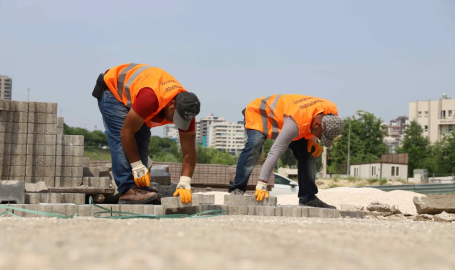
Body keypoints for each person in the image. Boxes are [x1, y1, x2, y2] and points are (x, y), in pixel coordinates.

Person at [94, 63, 200, 204]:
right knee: (122, 138)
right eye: (175, 117)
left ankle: (140, 190)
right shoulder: (151, 98)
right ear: (171, 104)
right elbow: (126, 133)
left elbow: (189, 152)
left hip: (137, 95)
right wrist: (137, 167)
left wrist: (185, 182)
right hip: (113, 91)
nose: (175, 122)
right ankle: (127, 190)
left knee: (142, 139)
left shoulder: (187, 109)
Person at [228, 94, 343, 209]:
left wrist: (313, 139)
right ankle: (238, 189)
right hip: (260, 112)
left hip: (286, 118)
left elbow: (314, 117)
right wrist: (262, 183)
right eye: (320, 136)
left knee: (309, 153)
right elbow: (276, 151)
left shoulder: (331, 114)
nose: (319, 138)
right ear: (316, 124)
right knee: (254, 144)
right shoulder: (297, 122)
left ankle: (308, 198)